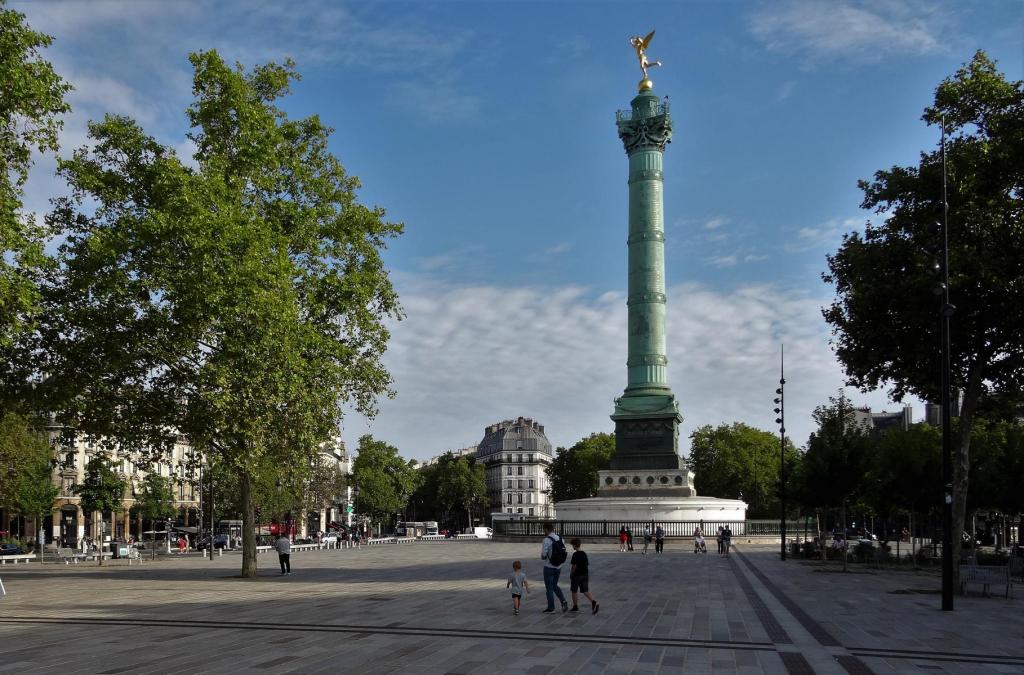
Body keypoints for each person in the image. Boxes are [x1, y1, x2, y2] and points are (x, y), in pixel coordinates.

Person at [540, 522, 568, 613]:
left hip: (549, 566)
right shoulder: (561, 538)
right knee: (555, 585)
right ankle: (563, 601)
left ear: (546, 529)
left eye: (544, 529)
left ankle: (551, 608)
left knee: (549, 588)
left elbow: (544, 555)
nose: (543, 531)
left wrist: (543, 556)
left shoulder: (546, 540)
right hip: (558, 566)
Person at [568, 538, 600, 614]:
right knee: (585, 590)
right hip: (585, 574)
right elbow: (586, 564)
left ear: (575, 545)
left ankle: (575, 606)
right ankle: (594, 602)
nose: (572, 547)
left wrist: (571, 574)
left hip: (577, 575)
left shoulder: (575, 554)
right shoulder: (584, 553)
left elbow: (574, 566)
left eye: (572, 545)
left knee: (574, 591)